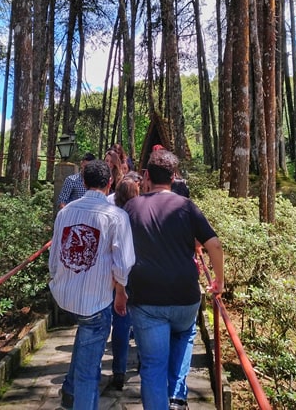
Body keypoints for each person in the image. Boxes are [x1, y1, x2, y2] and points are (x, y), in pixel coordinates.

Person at [123, 148, 224, 410]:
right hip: (184, 296)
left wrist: (120, 288)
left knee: (153, 366)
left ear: (146, 175)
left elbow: (120, 250)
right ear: (174, 176)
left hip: (146, 298)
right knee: (184, 335)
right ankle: (178, 395)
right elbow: (214, 244)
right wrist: (219, 282)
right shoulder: (186, 206)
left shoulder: (132, 207)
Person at [48, 159, 136, 410]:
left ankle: (69, 390)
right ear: (110, 183)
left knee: (84, 336)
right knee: (90, 370)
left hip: (66, 296)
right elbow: (123, 263)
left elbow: (55, 257)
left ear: (83, 182)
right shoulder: (116, 216)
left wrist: (57, 280)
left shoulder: (66, 212)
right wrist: (121, 292)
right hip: (95, 300)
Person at [107, 171, 142, 390]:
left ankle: (119, 371)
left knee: (119, 321)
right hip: (138, 272)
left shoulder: (110, 210)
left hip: (115, 273)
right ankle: (141, 362)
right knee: (140, 320)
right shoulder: (140, 210)